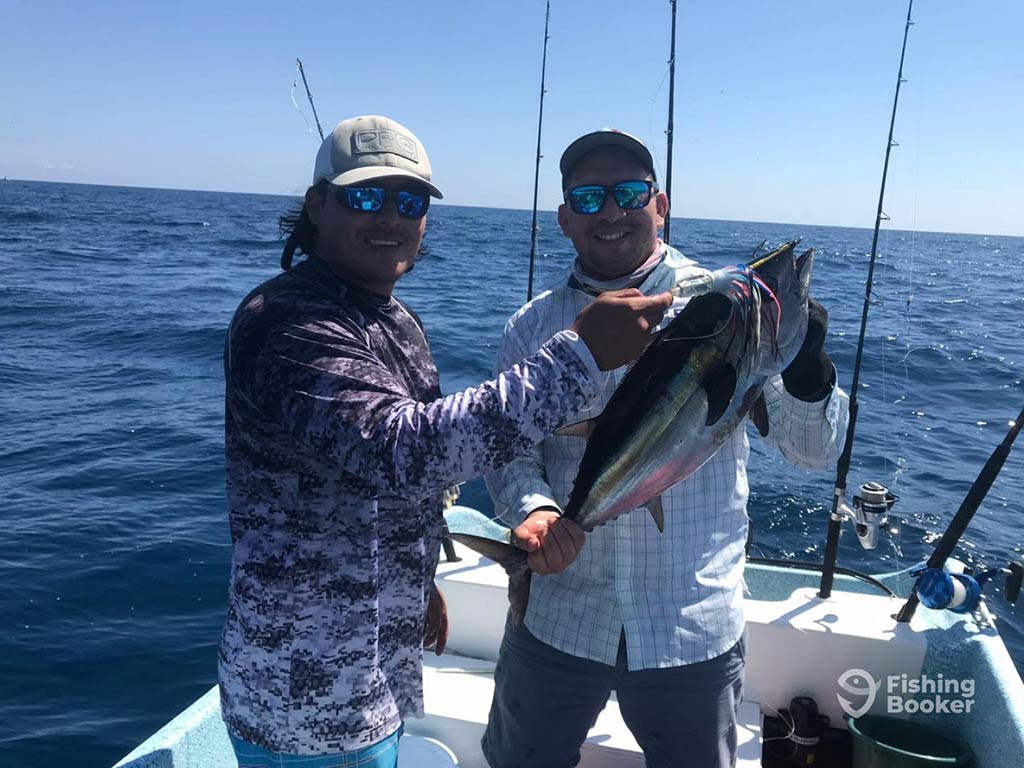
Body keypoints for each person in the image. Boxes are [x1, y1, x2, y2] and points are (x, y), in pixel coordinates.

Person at [217, 115, 673, 767]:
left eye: (409, 201)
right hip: (303, 699)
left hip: (370, 674)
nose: (390, 218)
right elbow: (397, 450)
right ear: (318, 205)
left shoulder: (391, 319)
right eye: (364, 196)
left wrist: (418, 574)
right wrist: (580, 356)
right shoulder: (287, 321)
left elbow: (388, 482)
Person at [482, 128, 850, 768]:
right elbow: (508, 452)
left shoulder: (726, 304)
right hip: (559, 611)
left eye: (629, 192)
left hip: (689, 622)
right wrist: (536, 512)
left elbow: (812, 453)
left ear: (661, 203)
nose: (612, 212)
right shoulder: (532, 326)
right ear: (564, 216)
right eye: (589, 197)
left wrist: (808, 366)